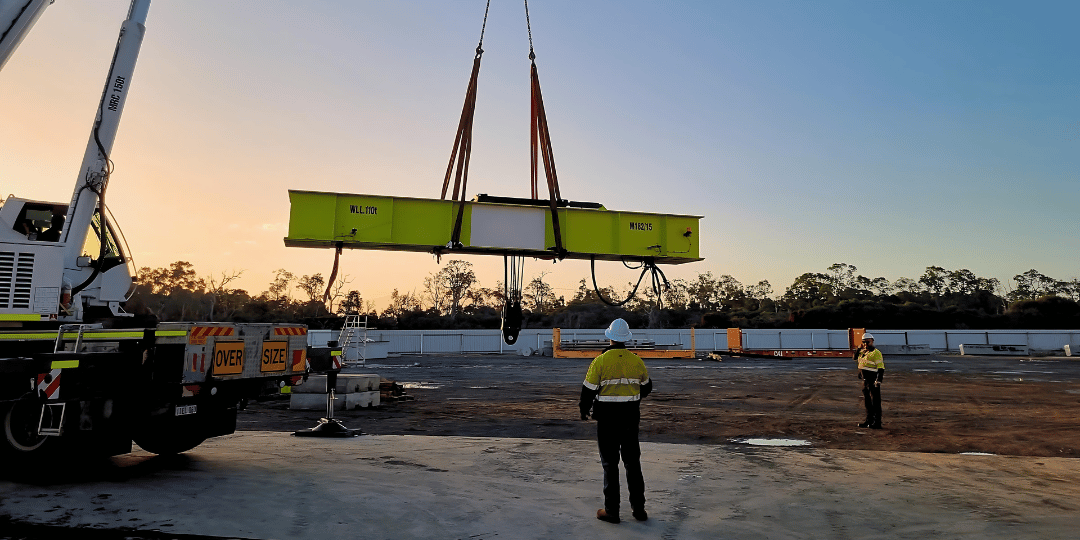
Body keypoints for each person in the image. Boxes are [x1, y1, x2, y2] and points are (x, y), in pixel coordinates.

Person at [579, 318, 652, 524]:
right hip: (630, 418)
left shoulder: (600, 361)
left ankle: (612, 511)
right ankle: (639, 509)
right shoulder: (636, 360)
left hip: (607, 420)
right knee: (632, 463)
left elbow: (588, 391)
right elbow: (646, 388)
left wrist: (584, 410)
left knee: (610, 464)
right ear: (626, 338)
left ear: (609, 337)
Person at [855, 333, 885, 429]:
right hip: (865, 380)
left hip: (873, 379)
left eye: (867, 342)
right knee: (867, 402)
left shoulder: (876, 353)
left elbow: (881, 368)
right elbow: (855, 358)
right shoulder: (863, 352)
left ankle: (877, 423)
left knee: (875, 402)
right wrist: (858, 349)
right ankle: (869, 421)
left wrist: (879, 380)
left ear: (872, 341)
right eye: (863, 342)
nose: (865, 344)